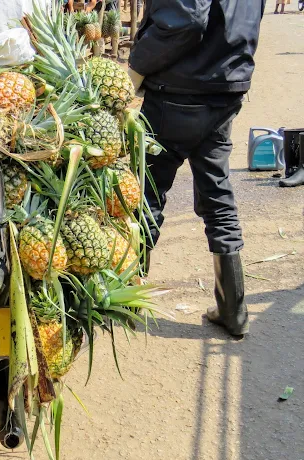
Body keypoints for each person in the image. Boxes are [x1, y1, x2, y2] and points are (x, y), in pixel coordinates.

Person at [127, 0, 266, 338]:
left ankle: (127, 297)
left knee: (146, 194)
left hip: (180, 89)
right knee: (217, 194)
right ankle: (234, 310)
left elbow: (187, 19)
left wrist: (135, 66)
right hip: (226, 84)